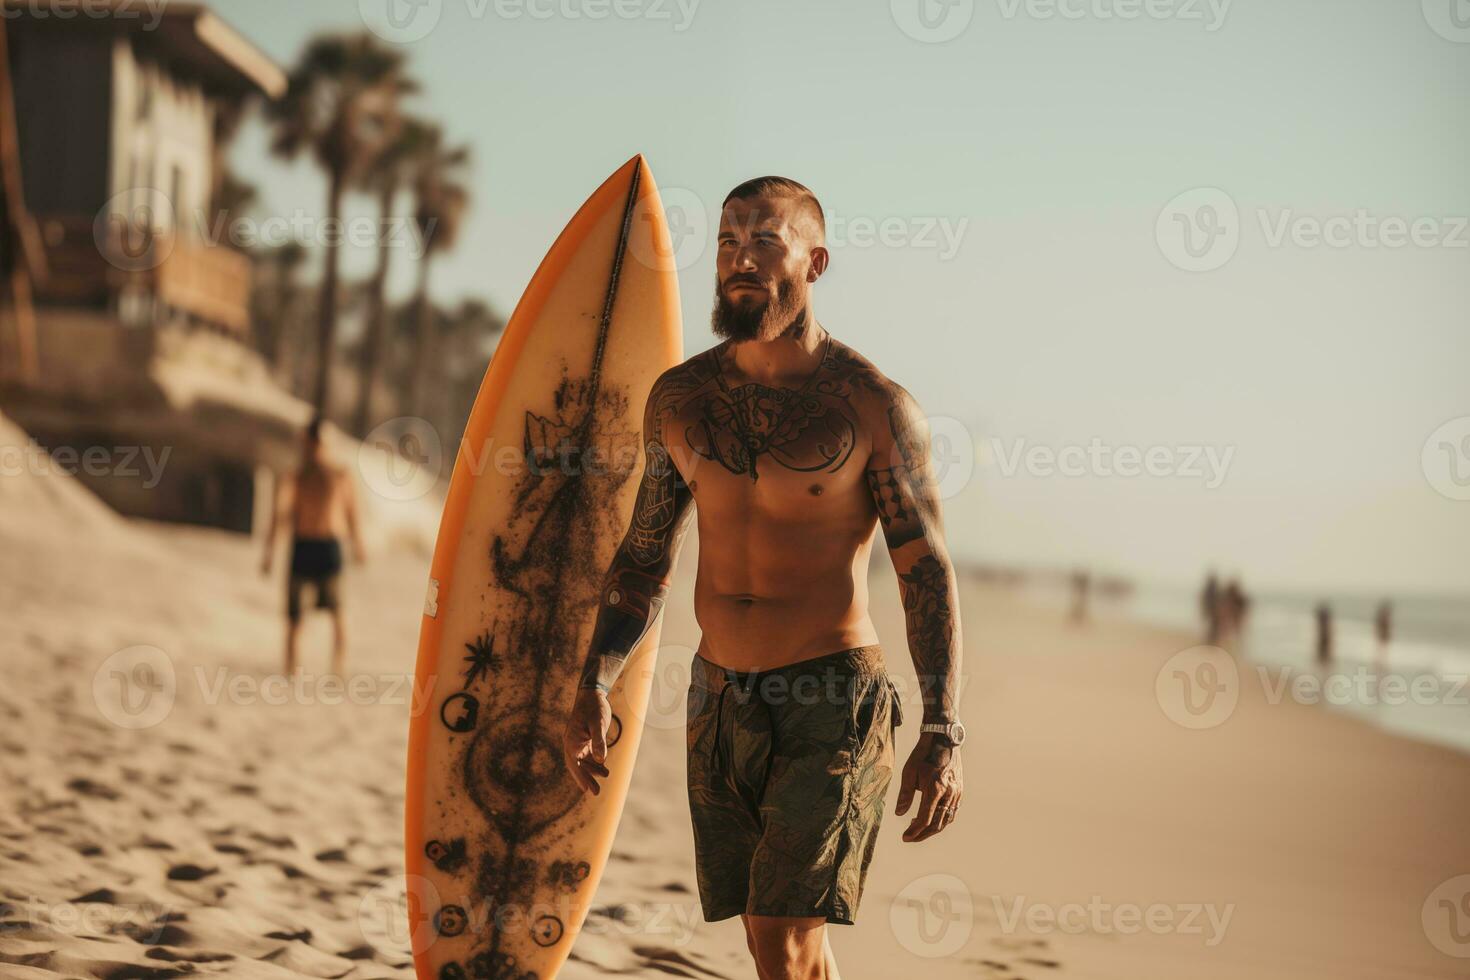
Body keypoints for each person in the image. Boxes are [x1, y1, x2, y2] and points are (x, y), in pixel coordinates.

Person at [560, 176, 964, 979]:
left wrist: (943, 729)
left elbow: (925, 572)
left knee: (782, 935)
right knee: (773, 936)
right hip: (719, 694)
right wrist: (594, 681)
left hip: (832, 699)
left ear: (815, 262)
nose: (740, 260)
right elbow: (645, 559)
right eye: (726, 243)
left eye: (764, 242)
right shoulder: (681, 399)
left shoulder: (871, 408)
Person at [260, 417, 365, 677]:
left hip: (330, 547)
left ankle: (337, 671)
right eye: (309, 444)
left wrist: (358, 543)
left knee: (338, 612)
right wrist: (270, 551)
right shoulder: (295, 477)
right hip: (303, 546)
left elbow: (351, 512)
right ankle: (290, 671)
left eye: (316, 443)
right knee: (294, 617)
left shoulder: (340, 475)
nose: (312, 449)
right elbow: (280, 515)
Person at [1200, 570, 1220, 643]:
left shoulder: (1212, 589)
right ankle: (1211, 640)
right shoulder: (1212, 589)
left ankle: (1211, 640)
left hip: (1212, 610)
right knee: (1212, 626)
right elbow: (1206, 600)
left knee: (1212, 626)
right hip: (1212, 610)